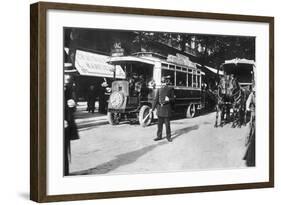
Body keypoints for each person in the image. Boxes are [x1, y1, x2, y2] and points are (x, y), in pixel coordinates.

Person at [151, 76, 175, 142]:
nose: (163, 84)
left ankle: (168, 137)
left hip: (166, 109)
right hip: (160, 109)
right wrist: (152, 108)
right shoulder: (159, 89)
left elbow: (173, 99)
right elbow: (156, 99)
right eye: (162, 82)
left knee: (167, 125)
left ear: (166, 82)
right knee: (159, 124)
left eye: (164, 82)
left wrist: (169, 99)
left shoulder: (170, 89)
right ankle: (159, 136)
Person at [64, 75, 79, 176]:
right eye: (65, 78)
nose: (67, 81)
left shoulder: (69, 89)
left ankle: (65, 173)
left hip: (67, 124)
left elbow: (72, 106)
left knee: (65, 149)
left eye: (68, 79)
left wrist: (73, 105)